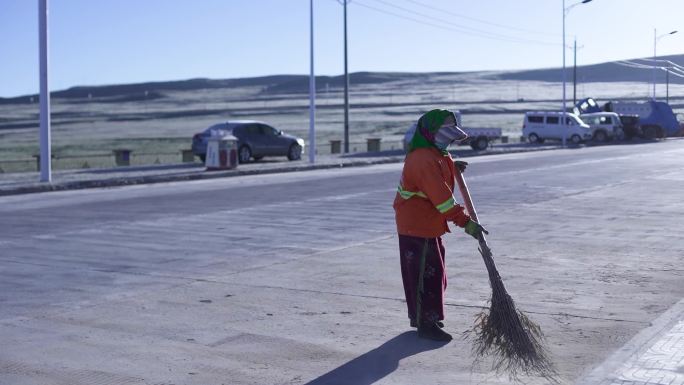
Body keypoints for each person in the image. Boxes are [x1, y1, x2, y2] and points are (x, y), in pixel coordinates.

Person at [393, 109, 488, 341]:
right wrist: (466, 223)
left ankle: (428, 317)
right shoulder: (423, 159)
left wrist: (453, 167)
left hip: (429, 222)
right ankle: (426, 324)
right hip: (416, 224)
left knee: (435, 274)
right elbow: (443, 200)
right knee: (425, 276)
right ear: (429, 132)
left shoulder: (438, 153)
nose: (449, 142)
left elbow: (442, 162)